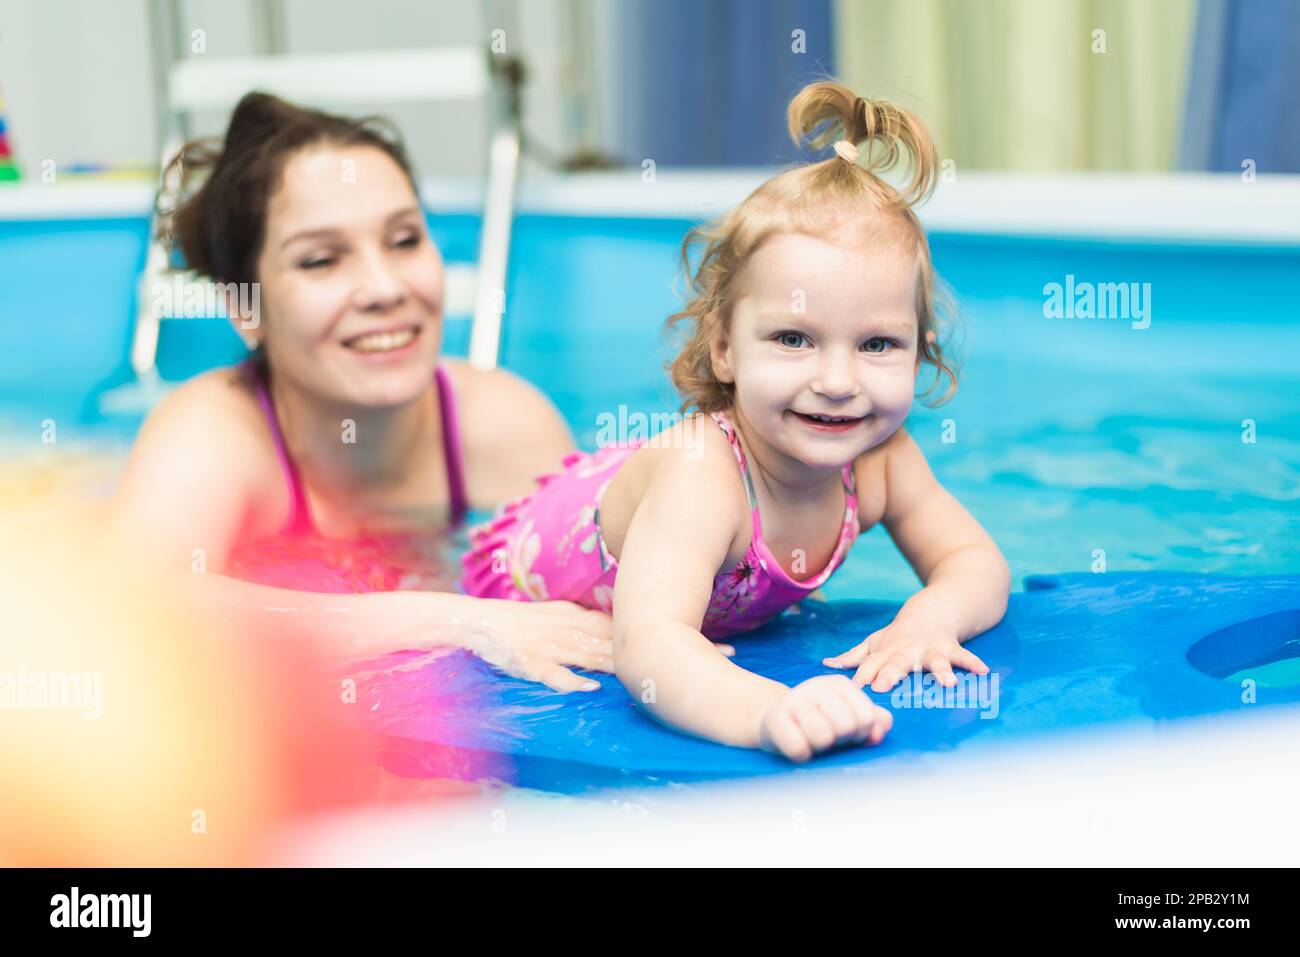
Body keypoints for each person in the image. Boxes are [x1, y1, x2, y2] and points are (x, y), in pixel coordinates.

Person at [461, 81, 1012, 760]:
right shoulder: (704, 479)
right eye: (792, 339)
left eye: (877, 344)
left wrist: (931, 617)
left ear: (919, 350)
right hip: (526, 570)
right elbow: (650, 646)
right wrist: (768, 709)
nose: (837, 382)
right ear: (724, 347)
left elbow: (975, 560)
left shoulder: (883, 461)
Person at [106, 93, 613, 693]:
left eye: (403, 241)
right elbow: (134, 612)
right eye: (321, 260)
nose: (384, 288)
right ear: (246, 310)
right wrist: (452, 620)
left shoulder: (504, 428)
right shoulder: (215, 431)